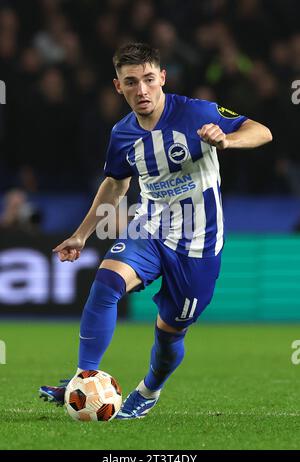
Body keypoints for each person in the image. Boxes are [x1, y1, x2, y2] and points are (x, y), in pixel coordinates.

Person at [39, 42, 272, 419]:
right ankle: (83, 378)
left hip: (198, 244)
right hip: (148, 230)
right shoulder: (122, 134)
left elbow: (261, 131)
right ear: (119, 86)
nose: (142, 90)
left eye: (149, 80)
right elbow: (115, 185)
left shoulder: (196, 112)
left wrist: (228, 140)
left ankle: (149, 389)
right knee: (105, 285)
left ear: (162, 78)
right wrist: (81, 234)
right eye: (131, 82)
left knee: (169, 334)